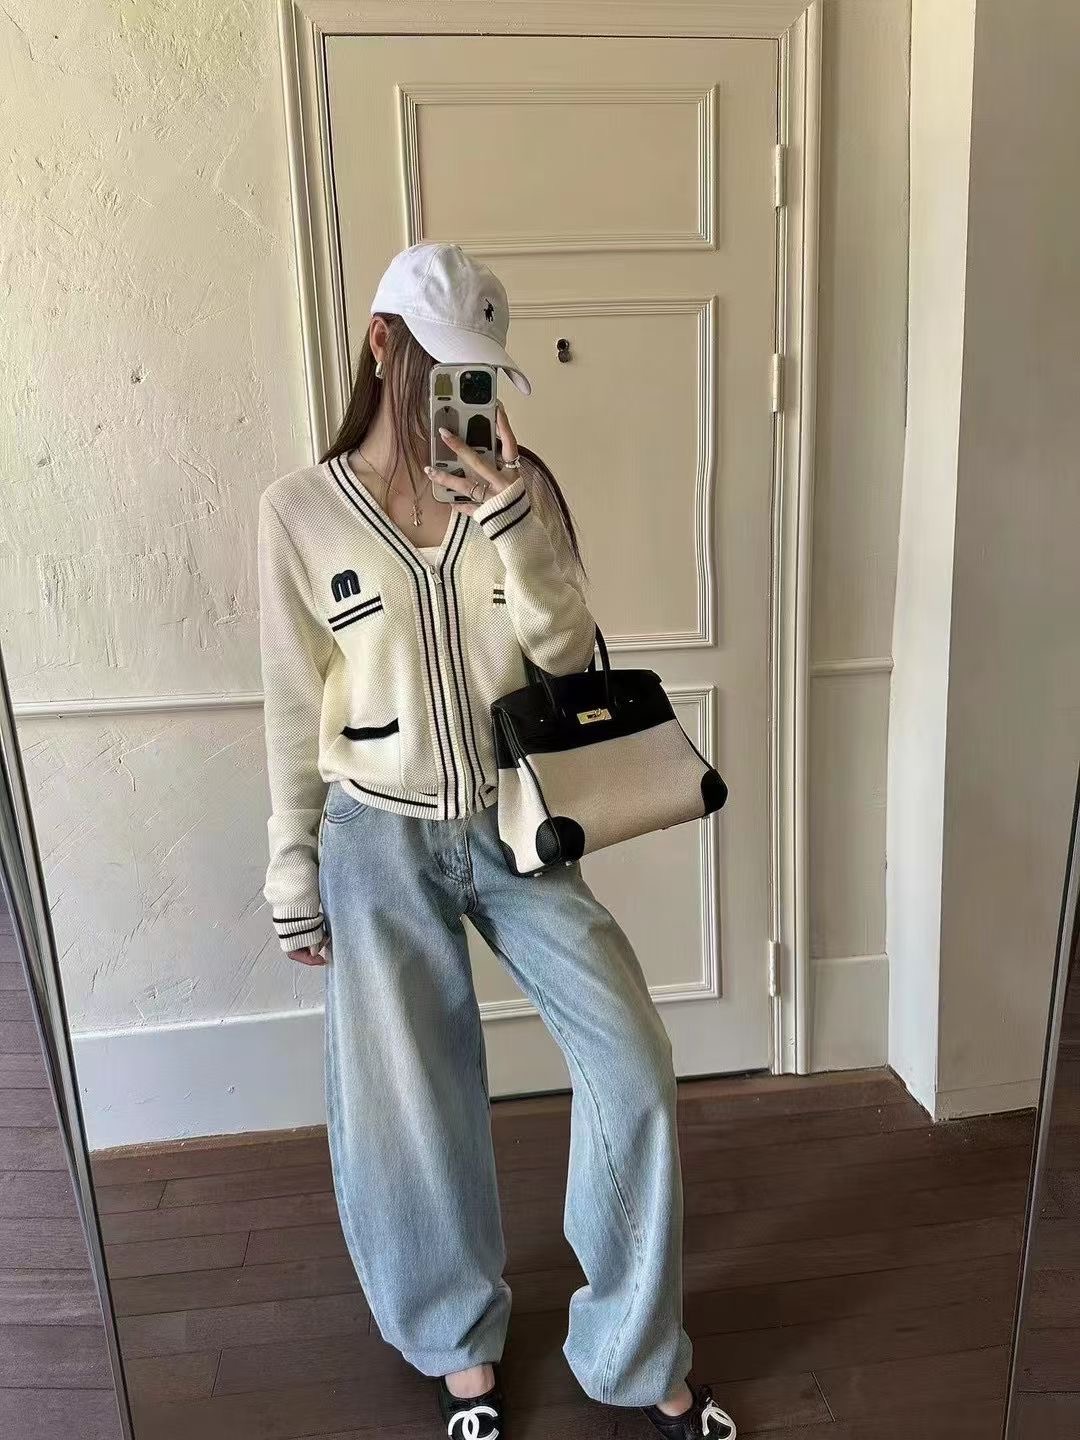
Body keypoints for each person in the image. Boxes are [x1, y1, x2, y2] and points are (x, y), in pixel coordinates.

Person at [257, 242, 736, 1440]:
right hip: (375, 834)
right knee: (412, 1104)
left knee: (631, 1061)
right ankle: (457, 1343)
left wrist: (518, 529)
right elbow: (288, 701)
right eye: (441, 367)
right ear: (384, 345)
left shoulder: (522, 489)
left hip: (517, 825)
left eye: (478, 375)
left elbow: (568, 661)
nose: (458, 397)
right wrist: (291, 863)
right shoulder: (299, 513)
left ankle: (631, 1350)